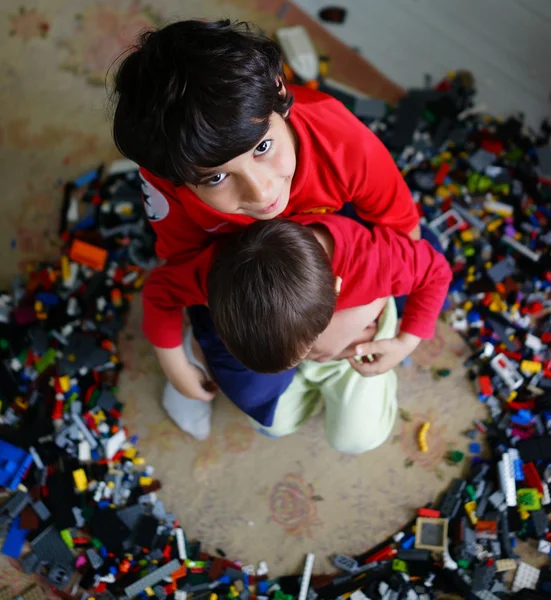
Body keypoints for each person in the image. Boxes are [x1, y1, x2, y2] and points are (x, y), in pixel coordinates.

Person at [111, 19, 442, 440]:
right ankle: (206, 347)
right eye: (215, 178)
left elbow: (402, 231)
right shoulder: (166, 178)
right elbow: (181, 272)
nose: (262, 192)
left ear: (281, 94)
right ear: (174, 179)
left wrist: (356, 312)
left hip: (338, 256)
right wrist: (175, 359)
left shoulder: (340, 140)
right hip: (240, 275)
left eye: (263, 148)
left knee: (416, 262)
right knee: (264, 406)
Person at [204, 214, 451, 452]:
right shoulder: (229, 272)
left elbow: (437, 272)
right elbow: (166, 290)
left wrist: (405, 344)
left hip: (357, 352)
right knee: (270, 423)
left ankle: (351, 385)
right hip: (292, 346)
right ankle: (308, 376)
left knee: (356, 439)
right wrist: (176, 362)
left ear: (336, 289)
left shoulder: (374, 259)